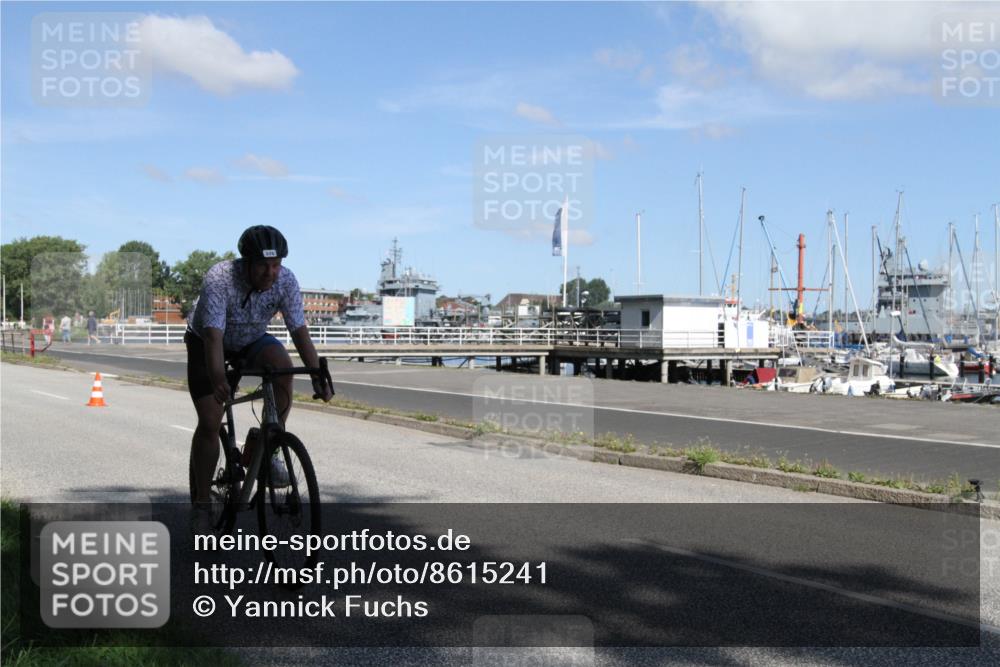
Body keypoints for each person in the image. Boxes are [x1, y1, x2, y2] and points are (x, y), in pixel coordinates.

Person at [186, 225, 333, 530]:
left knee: (282, 365)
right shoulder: (220, 278)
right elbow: (213, 337)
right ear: (246, 263)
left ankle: (264, 445)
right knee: (211, 421)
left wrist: (317, 372)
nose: (271, 273)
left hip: (251, 339)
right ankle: (202, 502)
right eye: (263, 266)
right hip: (207, 341)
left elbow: (299, 330)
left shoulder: (286, 281)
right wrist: (217, 379)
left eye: (276, 265)